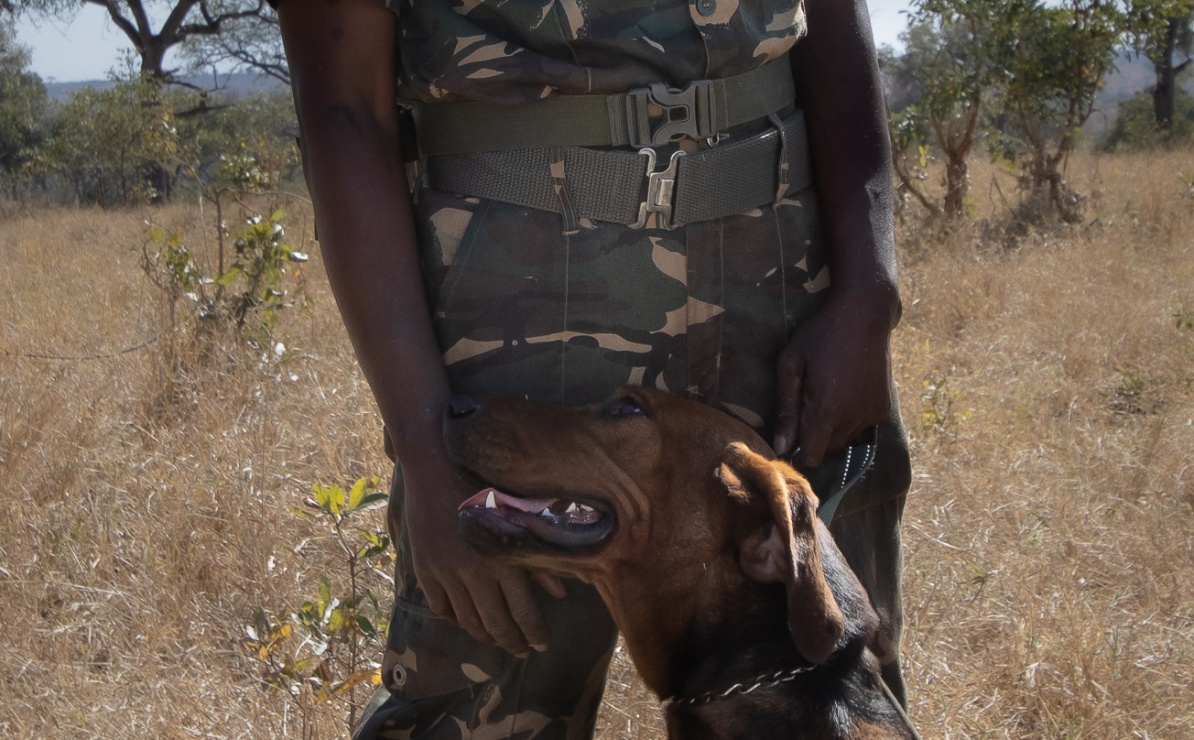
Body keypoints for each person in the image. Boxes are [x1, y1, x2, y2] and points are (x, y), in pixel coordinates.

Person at [276, 1, 912, 738]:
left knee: (826, 694)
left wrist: (870, 285)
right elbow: (345, 110)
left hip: (784, 293)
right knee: (490, 709)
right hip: (522, 325)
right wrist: (426, 442)